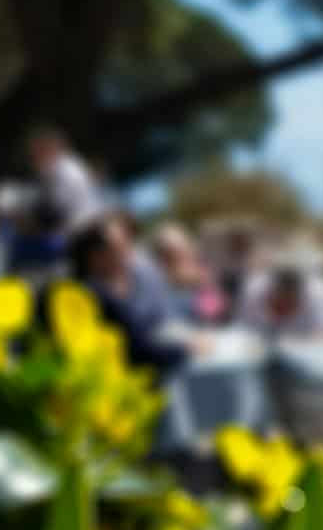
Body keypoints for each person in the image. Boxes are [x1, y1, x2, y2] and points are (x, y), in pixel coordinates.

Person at [66, 213, 190, 376]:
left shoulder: (145, 274)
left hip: (162, 365)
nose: (126, 251)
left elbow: (165, 319)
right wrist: (184, 350)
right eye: (117, 247)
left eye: (127, 243)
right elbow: (134, 349)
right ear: (93, 256)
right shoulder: (85, 293)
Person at [27, 127, 105, 239]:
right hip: (80, 226)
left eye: (37, 152)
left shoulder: (64, 170)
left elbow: (56, 207)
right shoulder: (68, 164)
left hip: (81, 230)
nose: (33, 159)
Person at [237, 253, 323, 339]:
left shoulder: (319, 295)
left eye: (289, 303)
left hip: (303, 347)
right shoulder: (252, 291)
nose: (283, 308)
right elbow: (243, 330)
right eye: (279, 304)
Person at [150, 223, 227, 325]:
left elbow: (215, 314)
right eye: (170, 254)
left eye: (182, 250)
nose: (179, 257)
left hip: (205, 333)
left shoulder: (202, 275)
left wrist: (205, 285)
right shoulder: (154, 281)